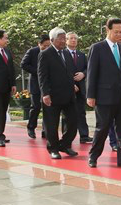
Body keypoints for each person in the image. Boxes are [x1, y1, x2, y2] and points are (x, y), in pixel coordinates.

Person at [86, 18, 121, 168]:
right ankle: (93, 156)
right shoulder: (97, 48)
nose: (119, 34)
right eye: (116, 32)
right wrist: (91, 95)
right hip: (104, 97)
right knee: (102, 128)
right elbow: (91, 73)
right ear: (107, 30)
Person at [38, 28, 80, 159]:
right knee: (51, 124)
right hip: (52, 96)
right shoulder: (45, 54)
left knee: (73, 122)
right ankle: (53, 149)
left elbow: (68, 72)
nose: (63, 41)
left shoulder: (66, 53)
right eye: (60, 38)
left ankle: (65, 145)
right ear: (52, 40)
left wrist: (72, 85)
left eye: (64, 38)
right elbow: (42, 76)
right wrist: (45, 94)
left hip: (68, 94)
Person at [21, 34, 50, 139]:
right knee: (36, 107)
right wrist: (37, 72)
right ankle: (31, 127)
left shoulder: (51, 52)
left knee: (47, 108)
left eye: (48, 45)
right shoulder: (32, 52)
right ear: (39, 44)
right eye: (44, 46)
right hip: (35, 84)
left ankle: (45, 130)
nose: (46, 48)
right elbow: (23, 64)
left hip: (47, 85)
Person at [66, 32, 90, 143]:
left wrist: (83, 74)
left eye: (75, 38)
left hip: (81, 89)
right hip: (68, 88)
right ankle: (66, 138)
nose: (74, 40)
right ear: (66, 40)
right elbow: (61, 71)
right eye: (71, 38)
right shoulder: (63, 54)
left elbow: (87, 68)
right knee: (67, 114)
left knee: (81, 112)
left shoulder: (81, 55)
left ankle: (84, 135)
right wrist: (71, 84)